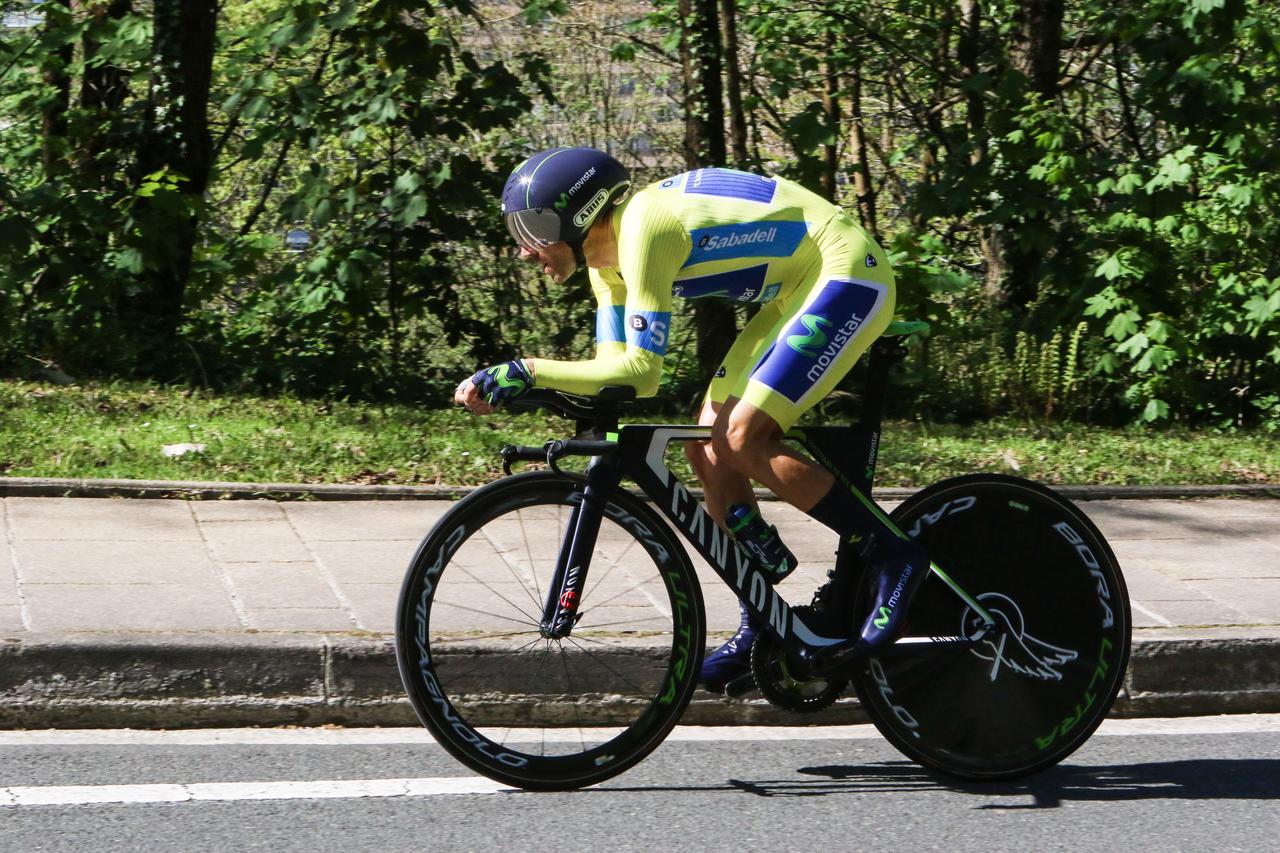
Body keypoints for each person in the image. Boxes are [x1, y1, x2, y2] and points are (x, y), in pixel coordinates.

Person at [455, 147, 927, 692]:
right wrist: (528, 383)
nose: (524, 248)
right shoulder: (606, 268)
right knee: (705, 445)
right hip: (798, 289)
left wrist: (528, 371)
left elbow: (642, 372)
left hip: (845, 272)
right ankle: (764, 615)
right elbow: (613, 374)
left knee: (741, 436)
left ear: (580, 214)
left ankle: (892, 552)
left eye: (534, 228)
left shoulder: (644, 228)